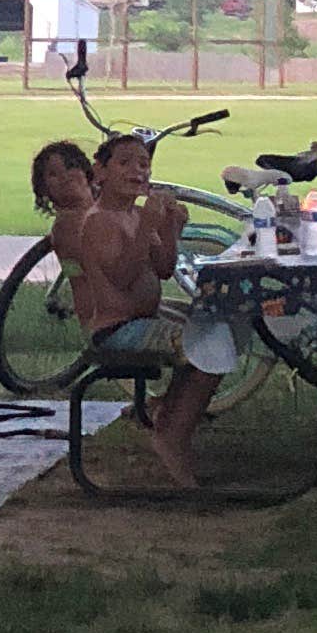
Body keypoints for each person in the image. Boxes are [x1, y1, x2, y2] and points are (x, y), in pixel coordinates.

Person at [70, 129, 229, 489]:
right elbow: (124, 277)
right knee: (207, 346)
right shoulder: (100, 221)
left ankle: (169, 416)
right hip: (115, 330)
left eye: (144, 164)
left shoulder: (132, 214)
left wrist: (171, 227)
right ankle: (172, 435)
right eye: (124, 163)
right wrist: (147, 225)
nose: (137, 171)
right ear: (101, 173)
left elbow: (163, 268)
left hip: (144, 318)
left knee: (215, 327)